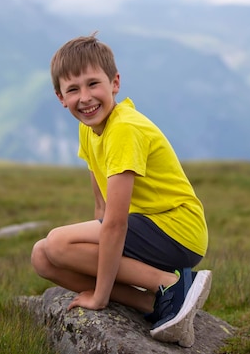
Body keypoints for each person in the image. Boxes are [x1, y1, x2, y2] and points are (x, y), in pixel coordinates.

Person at [30, 33, 211, 347]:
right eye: (73, 89)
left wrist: (100, 296)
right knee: (42, 258)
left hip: (177, 229)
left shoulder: (123, 129)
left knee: (58, 242)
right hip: (150, 230)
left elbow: (114, 223)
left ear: (114, 83)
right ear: (61, 97)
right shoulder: (89, 128)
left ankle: (174, 284)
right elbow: (101, 208)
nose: (85, 98)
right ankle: (153, 304)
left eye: (93, 84)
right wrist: (88, 252)